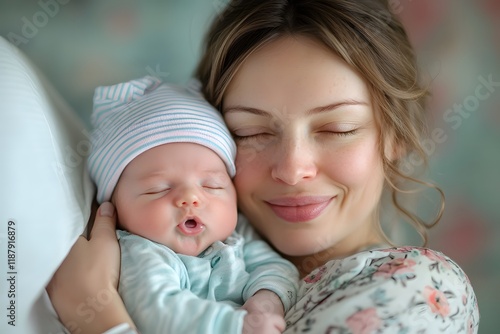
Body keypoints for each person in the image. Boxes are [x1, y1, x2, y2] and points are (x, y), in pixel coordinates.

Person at [47, 0, 480, 333]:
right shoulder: (152, 253)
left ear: (396, 136)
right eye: (250, 132)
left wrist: (95, 313)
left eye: (337, 128)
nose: (292, 170)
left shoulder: (421, 289)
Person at [83, 76, 298, 334]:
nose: (191, 198)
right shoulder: (143, 252)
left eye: (211, 185)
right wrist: (238, 326)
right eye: (158, 189)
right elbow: (160, 311)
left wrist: (266, 301)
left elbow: (275, 268)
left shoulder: (236, 232)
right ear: (115, 208)